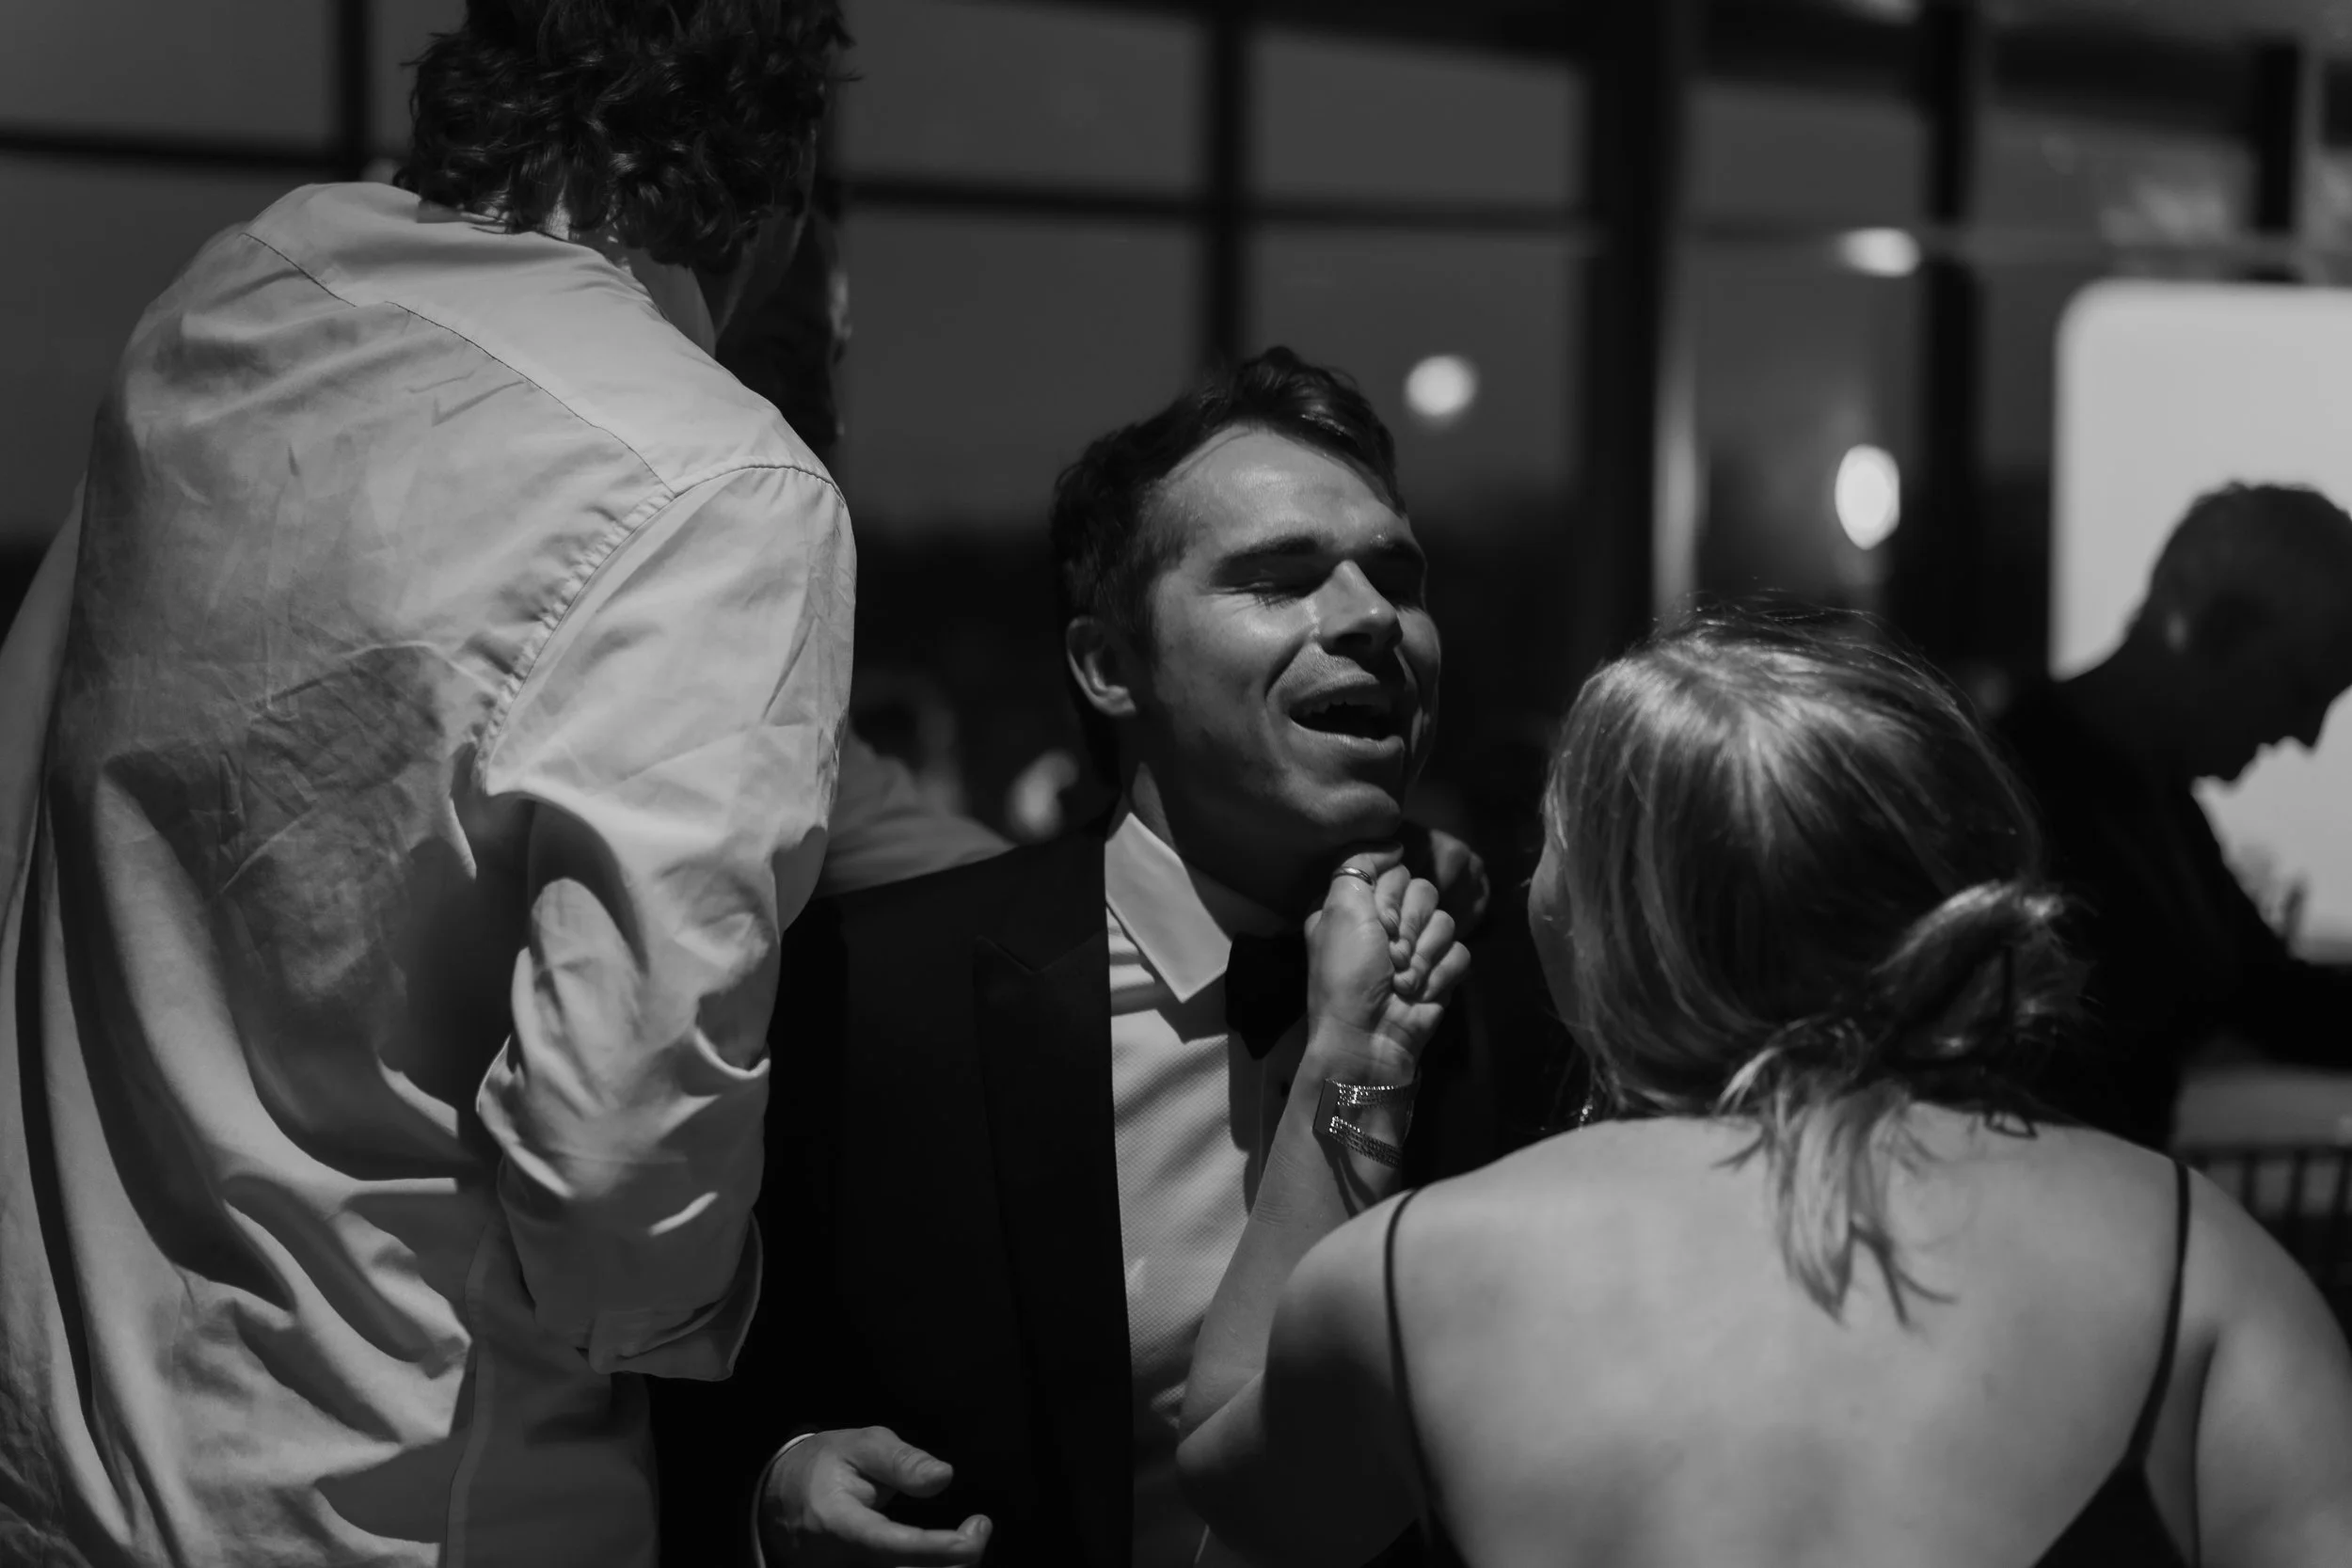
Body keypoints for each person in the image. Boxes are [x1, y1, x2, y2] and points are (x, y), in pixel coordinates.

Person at [0, 4, 859, 1564]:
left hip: (58, 1460)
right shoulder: (710, 478)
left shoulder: (229, 298)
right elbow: (616, 1165)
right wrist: (708, 1309)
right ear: (772, 189)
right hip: (396, 1498)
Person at [1179, 604, 2352, 1568]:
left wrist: (1354, 1071)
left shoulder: (1420, 1267)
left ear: (1607, 920)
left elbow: (1229, 1477)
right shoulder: (2196, 1254)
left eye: (1554, 846)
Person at [651, 347, 1504, 1568]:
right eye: (1282, 577)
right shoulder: (878, 993)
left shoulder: (1515, 990)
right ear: (1110, 666)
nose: (1373, 615)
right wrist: (775, 1489)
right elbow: (681, 1384)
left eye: (1398, 574)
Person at [1995, 483, 2352, 1148]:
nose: (2305, 733)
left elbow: (2278, 1000)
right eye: (2300, 687)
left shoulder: (2159, 805)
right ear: (2203, 625)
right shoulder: (2009, 791)